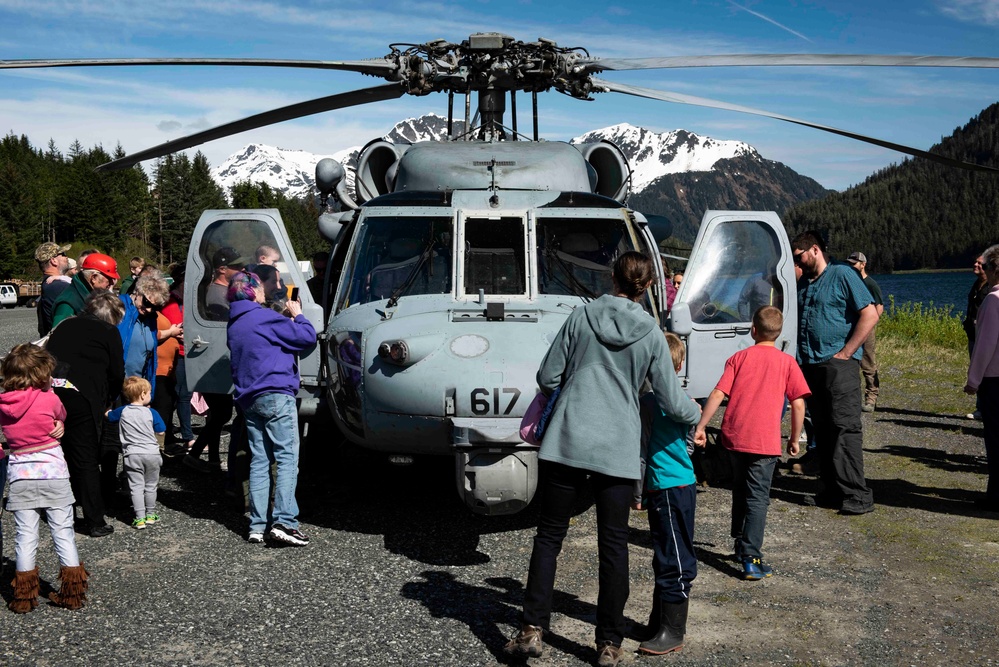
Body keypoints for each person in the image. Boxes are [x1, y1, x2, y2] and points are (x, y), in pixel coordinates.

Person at [505, 252, 701, 667]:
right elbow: (669, 399)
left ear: (612, 277)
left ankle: (531, 628)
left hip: (568, 441)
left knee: (549, 536)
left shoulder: (581, 317)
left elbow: (547, 378)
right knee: (613, 545)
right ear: (647, 286)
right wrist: (697, 414)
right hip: (618, 450)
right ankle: (608, 643)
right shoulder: (651, 333)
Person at [694, 306, 811, 580]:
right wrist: (794, 439)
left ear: (753, 330)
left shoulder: (738, 358)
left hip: (734, 438)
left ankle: (739, 542)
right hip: (764, 443)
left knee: (740, 489)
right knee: (758, 498)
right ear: (779, 332)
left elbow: (717, 392)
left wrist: (700, 427)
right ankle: (751, 556)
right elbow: (798, 404)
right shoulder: (787, 362)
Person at [226, 271, 316, 546]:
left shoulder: (235, 323)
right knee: (287, 460)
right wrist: (298, 314)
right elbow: (306, 337)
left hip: (248, 400)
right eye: (261, 288)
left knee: (259, 461)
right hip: (276, 394)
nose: (264, 291)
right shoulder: (265, 317)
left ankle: (256, 525)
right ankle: (285, 522)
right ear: (253, 291)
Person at [792, 231, 878, 515]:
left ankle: (857, 494)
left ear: (814, 250)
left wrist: (847, 352)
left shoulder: (842, 274)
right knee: (823, 429)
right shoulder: (804, 283)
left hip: (837, 364)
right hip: (810, 365)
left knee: (845, 427)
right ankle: (832, 490)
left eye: (799, 256)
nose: (797, 262)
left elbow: (870, 313)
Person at [0, 344, 88, 612]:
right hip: (53, 474)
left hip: (20, 477)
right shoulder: (49, 398)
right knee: (63, 532)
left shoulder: (3, 404)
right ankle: (72, 595)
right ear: (40, 374)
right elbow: (60, 416)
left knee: (25, 536)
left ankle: (24, 598)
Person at [634, 332, 701, 656]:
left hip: (666, 486)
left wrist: (637, 491)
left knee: (672, 556)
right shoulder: (688, 403)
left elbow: (642, 450)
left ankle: (673, 630)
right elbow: (689, 443)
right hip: (684, 484)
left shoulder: (647, 403)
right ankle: (658, 620)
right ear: (679, 364)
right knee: (669, 551)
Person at [46, 290, 125, 537]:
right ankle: (94, 520)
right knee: (86, 459)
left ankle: (62, 510)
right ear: (111, 316)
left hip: (53, 393)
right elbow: (116, 373)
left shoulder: (64, 326)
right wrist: (109, 400)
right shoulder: (108, 332)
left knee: (61, 454)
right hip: (83, 396)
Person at [964, 244, 999, 512]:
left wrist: (973, 380)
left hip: (995, 379)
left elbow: (985, 345)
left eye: (986, 267)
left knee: (995, 438)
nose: (983, 271)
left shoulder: (993, 300)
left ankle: (995, 495)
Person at [107, 377, 166, 530]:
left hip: (132, 454)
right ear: (143, 395)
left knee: (136, 487)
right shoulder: (151, 412)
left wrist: (106, 411)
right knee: (151, 485)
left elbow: (110, 417)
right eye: (149, 393)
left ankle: (139, 518)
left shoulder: (123, 411)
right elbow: (161, 430)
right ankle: (151, 514)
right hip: (152, 453)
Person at [161, 264, 194, 454]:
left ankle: (173, 435)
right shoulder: (172, 300)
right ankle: (187, 438)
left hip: (186, 350)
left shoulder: (184, 298)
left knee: (178, 396)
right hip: (176, 353)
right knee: (181, 395)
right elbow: (176, 324)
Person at [846, 251, 884, 412]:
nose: (851, 266)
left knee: (868, 362)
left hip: (866, 329)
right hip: (850, 328)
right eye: (849, 263)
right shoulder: (849, 282)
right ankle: (850, 398)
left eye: (854, 263)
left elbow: (879, 308)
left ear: (863, 264)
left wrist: (868, 325)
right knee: (849, 363)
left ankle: (871, 398)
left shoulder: (870, 284)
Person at [50, 252, 119, 328]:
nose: (112, 282)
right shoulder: (68, 304)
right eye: (109, 278)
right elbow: (59, 336)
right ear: (94, 278)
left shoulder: (91, 295)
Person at [964, 254, 989, 420]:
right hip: (974, 336)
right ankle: (981, 408)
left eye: (979, 263)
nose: (975, 265)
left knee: (988, 373)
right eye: (975, 262)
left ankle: (988, 408)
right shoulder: (977, 284)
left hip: (986, 337)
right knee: (977, 370)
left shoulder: (992, 288)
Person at [34, 241, 72, 336]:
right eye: (63, 254)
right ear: (53, 261)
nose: (66, 257)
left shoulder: (50, 284)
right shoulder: (57, 286)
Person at [206, 247, 246, 320]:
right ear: (222, 269)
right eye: (237, 266)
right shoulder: (217, 298)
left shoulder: (227, 291)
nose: (243, 269)